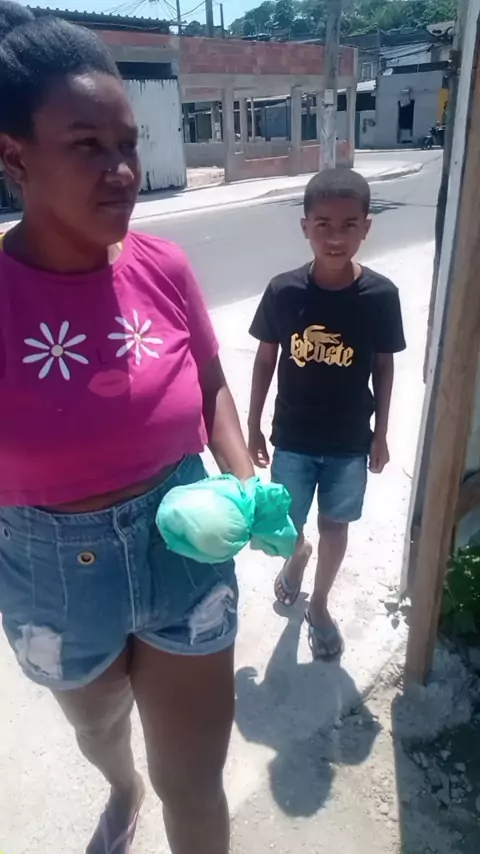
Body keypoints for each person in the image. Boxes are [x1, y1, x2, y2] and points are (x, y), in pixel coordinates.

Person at [0, 4, 254, 853]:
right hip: (52, 572)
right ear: (15, 158)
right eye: (87, 146)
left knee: (197, 783)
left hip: (184, 546)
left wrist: (244, 482)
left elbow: (210, 382)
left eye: (128, 143)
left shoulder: (164, 267)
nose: (121, 171)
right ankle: (119, 785)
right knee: (98, 728)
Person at [248, 167, 406, 661]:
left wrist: (381, 433)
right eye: (323, 225)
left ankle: (318, 605)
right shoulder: (284, 291)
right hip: (292, 437)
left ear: (366, 227)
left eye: (348, 224)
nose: (336, 237)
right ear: (305, 227)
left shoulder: (380, 297)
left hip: (348, 441)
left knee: (336, 525)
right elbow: (265, 359)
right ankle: (297, 557)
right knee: (287, 525)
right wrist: (252, 425)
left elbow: (384, 365)